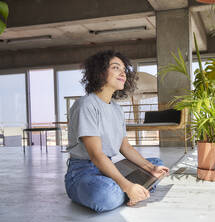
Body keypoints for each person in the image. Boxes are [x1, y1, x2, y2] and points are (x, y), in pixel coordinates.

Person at [64, 50, 169, 213]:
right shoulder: (86, 104)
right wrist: (126, 185)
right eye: (115, 67)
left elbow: (125, 148)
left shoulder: (117, 109)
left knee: (157, 164)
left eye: (124, 69)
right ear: (100, 72)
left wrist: (150, 168)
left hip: (108, 167)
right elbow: (96, 155)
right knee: (104, 195)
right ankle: (134, 190)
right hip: (84, 172)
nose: (123, 73)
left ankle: (134, 190)